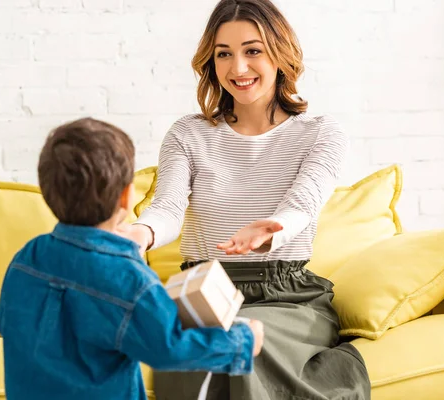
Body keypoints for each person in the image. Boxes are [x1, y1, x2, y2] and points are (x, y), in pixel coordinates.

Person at [120, 0, 372, 399]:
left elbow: (304, 203)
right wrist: (141, 233)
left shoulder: (321, 134)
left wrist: (275, 229)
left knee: (239, 344)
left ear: (280, 52)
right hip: (204, 290)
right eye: (224, 54)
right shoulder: (189, 135)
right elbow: (167, 207)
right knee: (190, 348)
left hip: (286, 296)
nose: (237, 68)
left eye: (252, 50)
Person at [0, 117, 265, 400]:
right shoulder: (129, 278)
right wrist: (243, 341)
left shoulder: (28, 257)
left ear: (48, 193)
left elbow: (5, 319)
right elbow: (170, 346)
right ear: (126, 197)